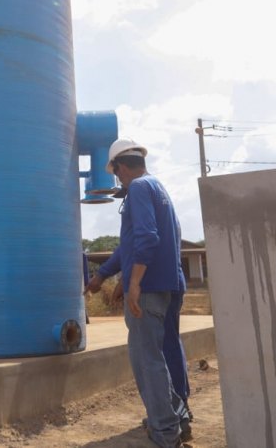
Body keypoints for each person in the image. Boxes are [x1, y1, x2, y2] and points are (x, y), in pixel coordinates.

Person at [84, 139, 187, 447]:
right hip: (168, 285)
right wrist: (102, 275)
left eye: (116, 172)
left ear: (121, 167)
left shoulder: (139, 189)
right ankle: (175, 416)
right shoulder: (158, 188)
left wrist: (134, 284)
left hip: (149, 289)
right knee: (155, 357)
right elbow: (132, 245)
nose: (117, 179)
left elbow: (146, 238)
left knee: (147, 362)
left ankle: (166, 432)